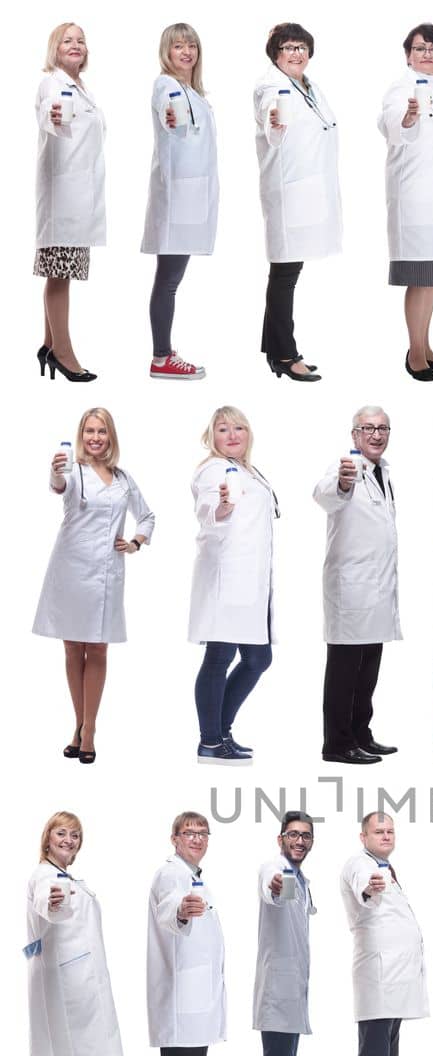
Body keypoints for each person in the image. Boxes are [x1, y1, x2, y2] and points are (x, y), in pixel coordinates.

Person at [32, 409, 154, 764]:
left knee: (98, 650)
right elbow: (59, 487)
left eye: (101, 431)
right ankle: (78, 724)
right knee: (73, 650)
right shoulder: (74, 472)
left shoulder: (124, 479)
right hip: (70, 569)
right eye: (89, 431)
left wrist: (135, 542)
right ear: (81, 435)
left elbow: (147, 515)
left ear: (111, 436)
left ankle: (91, 728)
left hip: (106, 573)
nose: (95, 437)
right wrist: (56, 470)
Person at [26, 812, 121, 1056]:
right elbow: (48, 904)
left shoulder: (66, 876)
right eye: (61, 832)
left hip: (67, 975)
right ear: (47, 836)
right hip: (65, 979)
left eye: (75, 834)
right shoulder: (45, 877)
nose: (68, 839)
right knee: (88, 1055)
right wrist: (52, 904)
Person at [378, 23, 433, 380]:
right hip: (417, 198)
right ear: (407, 54)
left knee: (432, 281)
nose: (427, 54)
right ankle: (415, 353)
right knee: (420, 278)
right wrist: (407, 118)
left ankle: (426, 346)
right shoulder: (401, 88)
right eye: (420, 48)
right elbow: (391, 122)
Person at [189, 406, 278, 764]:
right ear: (212, 436)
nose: (232, 434)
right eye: (223, 429)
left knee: (258, 658)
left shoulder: (249, 470)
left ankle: (221, 731)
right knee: (219, 657)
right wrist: (222, 507)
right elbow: (210, 507)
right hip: (227, 577)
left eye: (239, 427)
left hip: (252, 580)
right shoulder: (213, 469)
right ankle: (210, 740)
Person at [340, 813, 427, 1056]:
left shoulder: (386, 866)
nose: (386, 835)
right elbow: (365, 886)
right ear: (363, 835)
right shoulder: (361, 865)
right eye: (379, 831)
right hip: (379, 979)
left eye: (391, 830)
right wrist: (371, 887)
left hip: (396, 982)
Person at [254, 22, 340, 381]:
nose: (296, 53)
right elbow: (271, 117)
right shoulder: (270, 86)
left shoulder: (309, 86)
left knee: (286, 272)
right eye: (289, 47)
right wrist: (274, 121)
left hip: (309, 192)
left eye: (302, 47)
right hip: (289, 192)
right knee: (285, 274)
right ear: (276, 53)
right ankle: (287, 355)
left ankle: (274, 350)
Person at [314, 407, 400, 764]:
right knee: (344, 670)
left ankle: (361, 734)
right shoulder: (344, 467)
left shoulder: (383, 471)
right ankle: (337, 743)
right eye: (368, 428)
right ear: (354, 435)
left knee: (368, 669)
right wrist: (344, 482)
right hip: (351, 587)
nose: (376, 435)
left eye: (382, 428)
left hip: (378, 587)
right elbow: (323, 494)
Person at [147, 811, 226, 1056]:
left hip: (194, 996)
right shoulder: (171, 874)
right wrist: (181, 909)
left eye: (202, 833)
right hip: (183, 997)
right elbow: (169, 906)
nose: (197, 839)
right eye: (189, 833)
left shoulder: (192, 875)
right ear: (174, 839)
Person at [141, 22, 217, 379]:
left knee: (170, 280)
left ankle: (163, 354)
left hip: (191, 196)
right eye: (178, 47)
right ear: (166, 53)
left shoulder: (192, 90)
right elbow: (169, 115)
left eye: (191, 46)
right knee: (168, 281)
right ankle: (161, 358)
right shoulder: (166, 86)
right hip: (177, 198)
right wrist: (172, 119)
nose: (186, 52)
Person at [34, 22, 104, 381]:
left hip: (78, 199)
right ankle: (63, 353)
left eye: (81, 40)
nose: (76, 45)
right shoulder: (52, 83)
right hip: (63, 199)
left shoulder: (81, 86)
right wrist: (54, 116)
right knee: (59, 275)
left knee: (61, 274)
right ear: (55, 49)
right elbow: (50, 112)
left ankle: (49, 345)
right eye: (67, 40)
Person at [251, 812, 316, 1056]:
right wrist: (275, 887)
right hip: (279, 990)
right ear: (280, 839)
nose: (300, 841)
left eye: (306, 836)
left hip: (290, 989)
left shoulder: (301, 877)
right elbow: (271, 889)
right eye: (293, 835)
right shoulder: (273, 868)